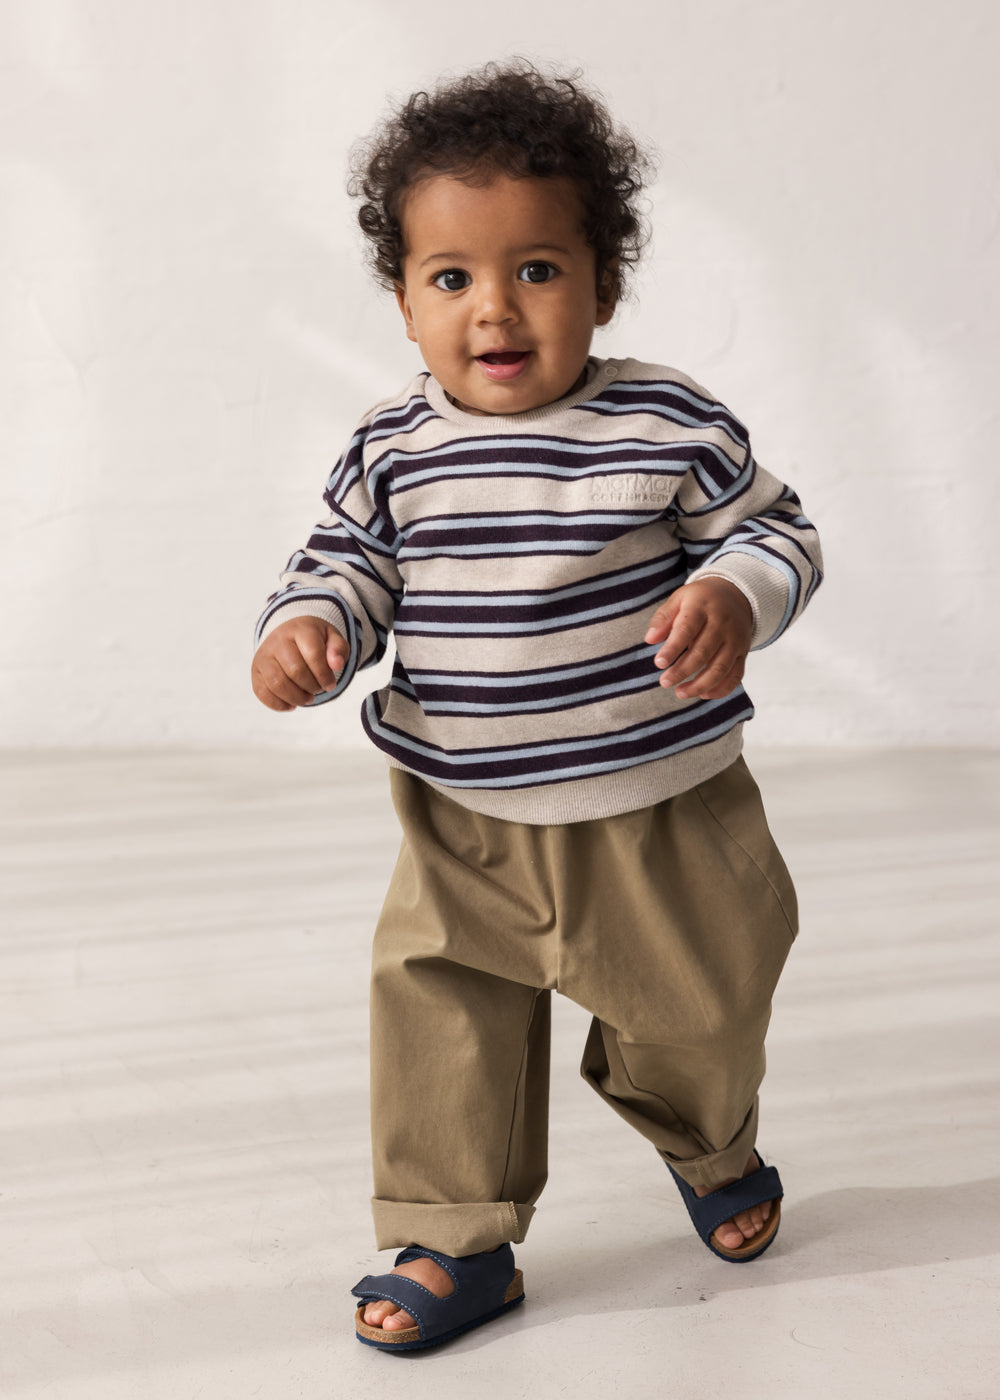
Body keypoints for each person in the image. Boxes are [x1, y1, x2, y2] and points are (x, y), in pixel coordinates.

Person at [251, 60, 823, 1353]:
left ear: (603, 286)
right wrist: (310, 631)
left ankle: (706, 1136)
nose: (495, 308)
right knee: (441, 1015)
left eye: (540, 269)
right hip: (463, 812)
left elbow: (776, 533)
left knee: (704, 1007)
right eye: (452, 277)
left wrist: (734, 596)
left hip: (660, 804)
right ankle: (455, 1236)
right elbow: (347, 564)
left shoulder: (665, 422)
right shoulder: (392, 449)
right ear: (406, 301)